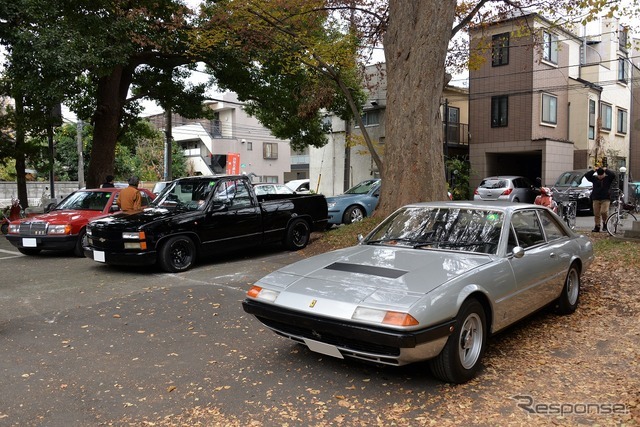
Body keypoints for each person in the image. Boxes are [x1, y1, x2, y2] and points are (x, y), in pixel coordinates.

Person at [584, 167, 616, 232]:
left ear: (604, 174)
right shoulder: (594, 179)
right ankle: (597, 226)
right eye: (599, 175)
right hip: (596, 198)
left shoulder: (607, 179)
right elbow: (587, 175)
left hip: (605, 198)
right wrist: (593, 170)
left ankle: (605, 223)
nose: (600, 177)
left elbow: (613, 175)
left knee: (603, 212)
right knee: (596, 213)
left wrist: (606, 170)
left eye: (601, 175)